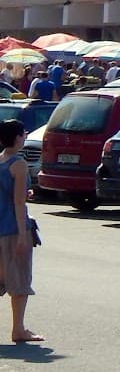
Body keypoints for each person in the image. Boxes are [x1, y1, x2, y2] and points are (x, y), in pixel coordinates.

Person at [0, 119, 42, 343]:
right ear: (17, 137)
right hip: (12, 228)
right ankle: (18, 329)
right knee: (19, 279)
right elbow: (18, 203)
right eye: (23, 134)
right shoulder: (19, 164)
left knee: (2, 277)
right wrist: (22, 236)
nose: (25, 137)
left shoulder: (1, 161)